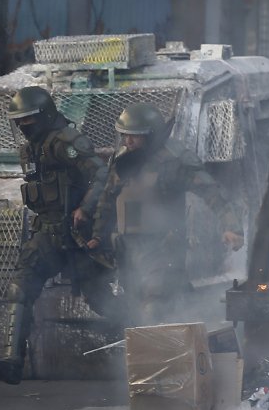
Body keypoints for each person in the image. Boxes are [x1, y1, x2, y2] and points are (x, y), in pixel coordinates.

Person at [0, 86, 110, 385]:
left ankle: (150, 338)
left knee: (102, 299)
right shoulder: (33, 147)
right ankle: (12, 361)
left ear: (44, 116)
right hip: (48, 232)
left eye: (28, 120)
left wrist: (85, 208)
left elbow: (100, 173)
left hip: (76, 233)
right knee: (21, 285)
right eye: (19, 121)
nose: (22, 126)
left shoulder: (65, 140)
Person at [87, 102, 244, 326]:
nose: (127, 142)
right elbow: (107, 199)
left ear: (150, 136)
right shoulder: (123, 158)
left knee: (154, 307)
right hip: (128, 249)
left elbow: (211, 191)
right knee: (133, 311)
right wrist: (97, 235)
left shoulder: (174, 160)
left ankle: (163, 355)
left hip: (163, 247)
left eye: (135, 137)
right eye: (124, 135)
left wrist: (231, 227)